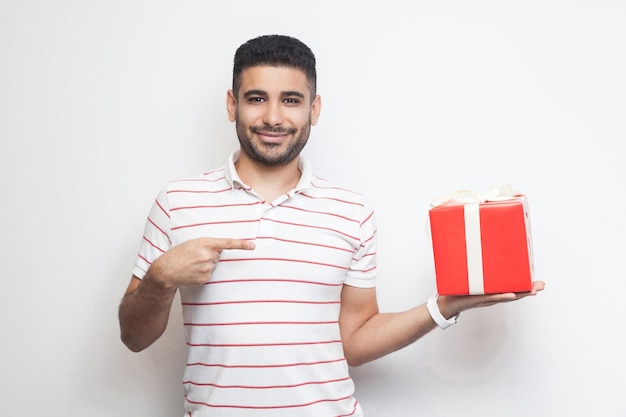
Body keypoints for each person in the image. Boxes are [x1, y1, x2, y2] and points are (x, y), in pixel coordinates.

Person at [118, 34, 544, 417]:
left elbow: (355, 342)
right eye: (255, 98)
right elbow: (134, 338)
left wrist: (446, 307)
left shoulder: (350, 211)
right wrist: (159, 279)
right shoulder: (178, 202)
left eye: (290, 100)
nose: (272, 117)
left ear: (313, 108)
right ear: (232, 104)